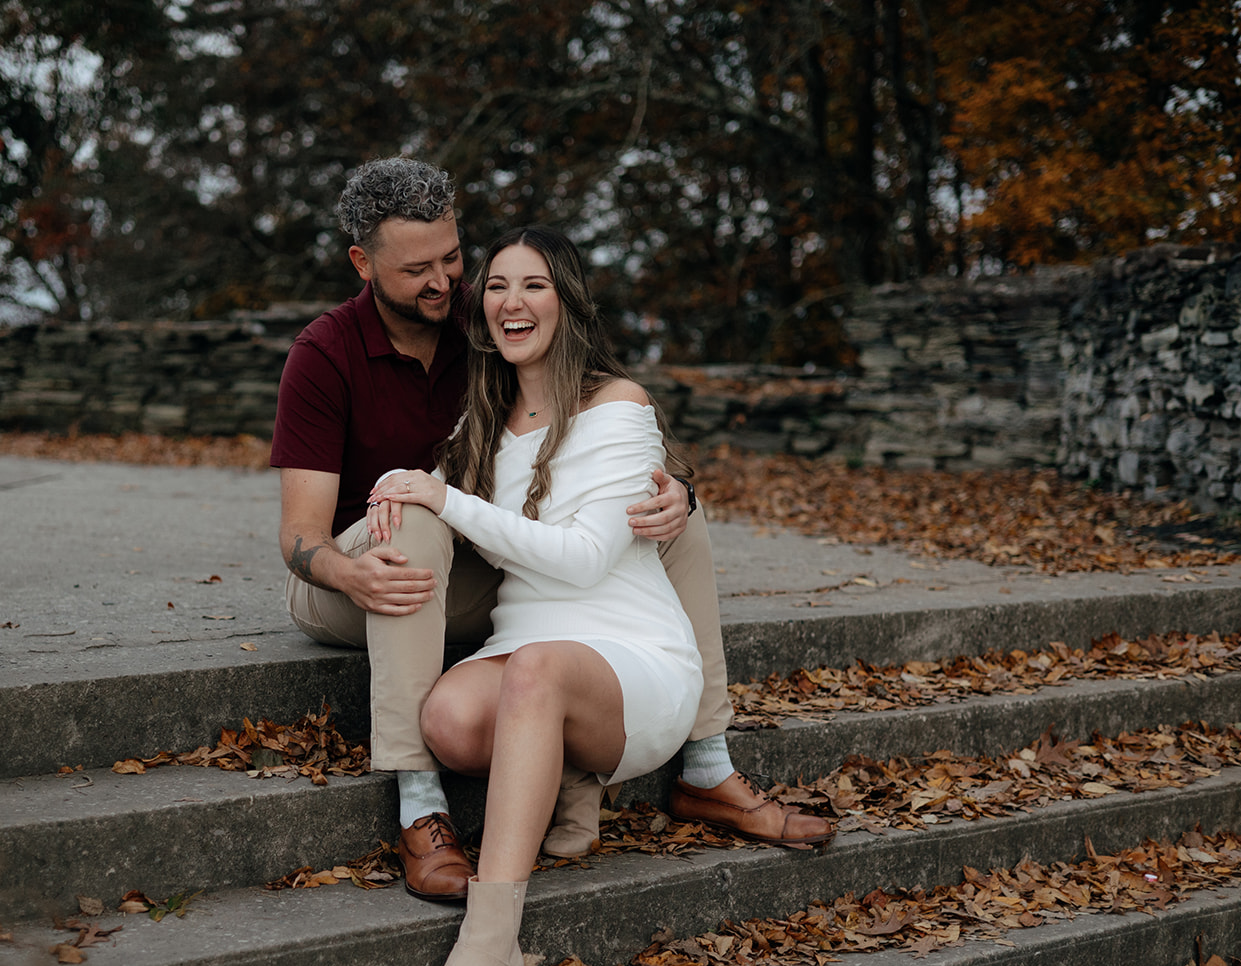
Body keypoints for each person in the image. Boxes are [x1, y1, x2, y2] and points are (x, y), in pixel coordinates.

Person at [270, 158, 831, 906]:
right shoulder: (323, 355)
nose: (444, 282)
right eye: (416, 270)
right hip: (356, 578)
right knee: (418, 520)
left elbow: (596, 410)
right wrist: (351, 571)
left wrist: (674, 490)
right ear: (362, 263)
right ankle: (420, 805)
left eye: (452, 258)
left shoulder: (488, 317)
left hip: (473, 569)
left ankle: (707, 766)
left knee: (678, 521)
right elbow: (300, 536)